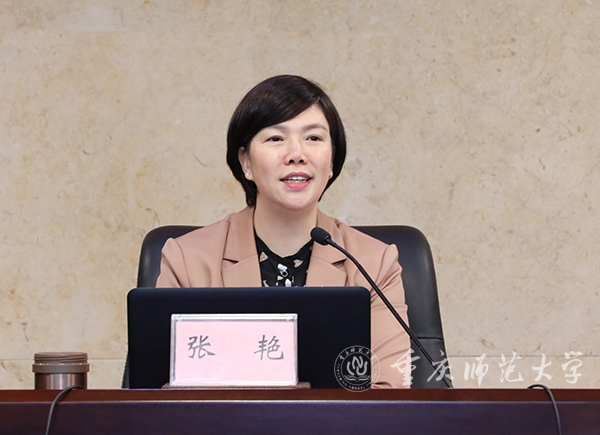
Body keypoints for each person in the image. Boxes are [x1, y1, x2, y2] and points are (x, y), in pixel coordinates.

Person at [157, 75, 411, 388]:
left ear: (332, 161)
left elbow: (389, 393)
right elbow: (163, 395)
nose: (296, 154)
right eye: (276, 138)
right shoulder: (187, 260)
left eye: (313, 138)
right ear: (245, 162)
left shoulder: (375, 263)